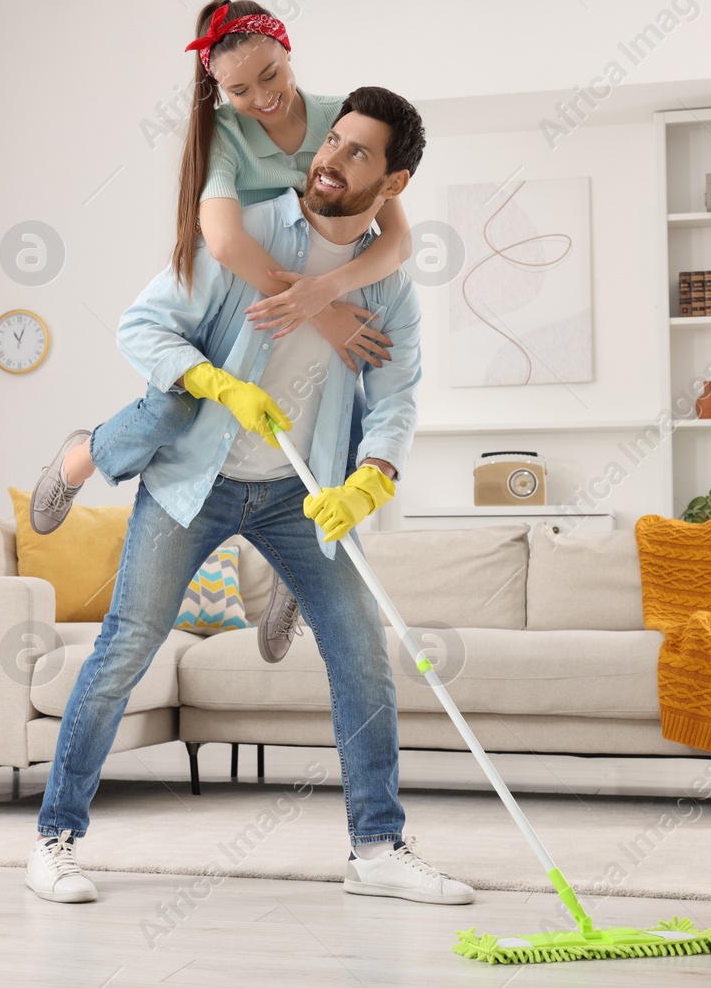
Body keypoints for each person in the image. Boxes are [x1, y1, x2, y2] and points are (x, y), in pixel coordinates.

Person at [26, 87, 475, 909]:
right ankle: (56, 837)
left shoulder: (390, 290)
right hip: (194, 480)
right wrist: (220, 384)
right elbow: (142, 326)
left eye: (358, 152)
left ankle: (376, 846)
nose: (331, 159)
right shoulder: (252, 231)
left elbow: (399, 401)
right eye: (331, 141)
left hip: (298, 500)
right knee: (126, 648)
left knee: (364, 656)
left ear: (394, 182)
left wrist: (371, 482)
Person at [27, 0, 414, 664]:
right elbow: (227, 242)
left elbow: (397, 239)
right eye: (238, 89)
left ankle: (303, 571)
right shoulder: (223, 136)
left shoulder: (340, 121)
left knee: (343, 418)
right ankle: (83, 455)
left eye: (271, 75)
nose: (261, 97)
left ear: (288, 53)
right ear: (216, 89)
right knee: (175, 403)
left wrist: (331, 288)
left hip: (300, 300)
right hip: (235, 299)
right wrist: (319, 312)